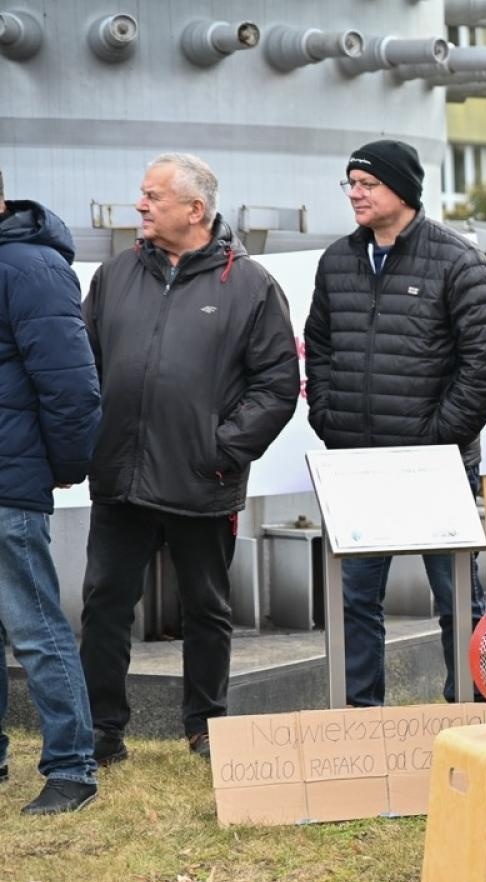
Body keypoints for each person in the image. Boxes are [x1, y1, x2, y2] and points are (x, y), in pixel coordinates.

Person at [80, 153, 299, 763]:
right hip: (120, 476)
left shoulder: (251, 286)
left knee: (206, 608)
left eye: (153, 196)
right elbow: (85, 368)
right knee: (104, 604)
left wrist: (221, 449)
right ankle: (102, 732)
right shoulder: (113, 276)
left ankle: (206, 728)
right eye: (141, 195)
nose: (140, 205)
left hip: (204, 478)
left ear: (195, 210)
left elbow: (277, 386)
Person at [303, 139, 486, 708]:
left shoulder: (455, 259)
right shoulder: (338, 261)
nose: (355, 194)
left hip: (435, 467)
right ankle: (360, 716)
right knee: (354, 600)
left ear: (403, 190)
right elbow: (318, 347)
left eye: (366, 184)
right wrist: (329, 416)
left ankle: (469, 709)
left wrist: (438, 435)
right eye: (350, 183)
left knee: (458, 598)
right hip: (358, 468)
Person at [0, 168, 103, 813]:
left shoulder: (31, 267)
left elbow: (71, 385)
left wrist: (61, 467)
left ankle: (72, 767)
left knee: (34, 626)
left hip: (10, 484)